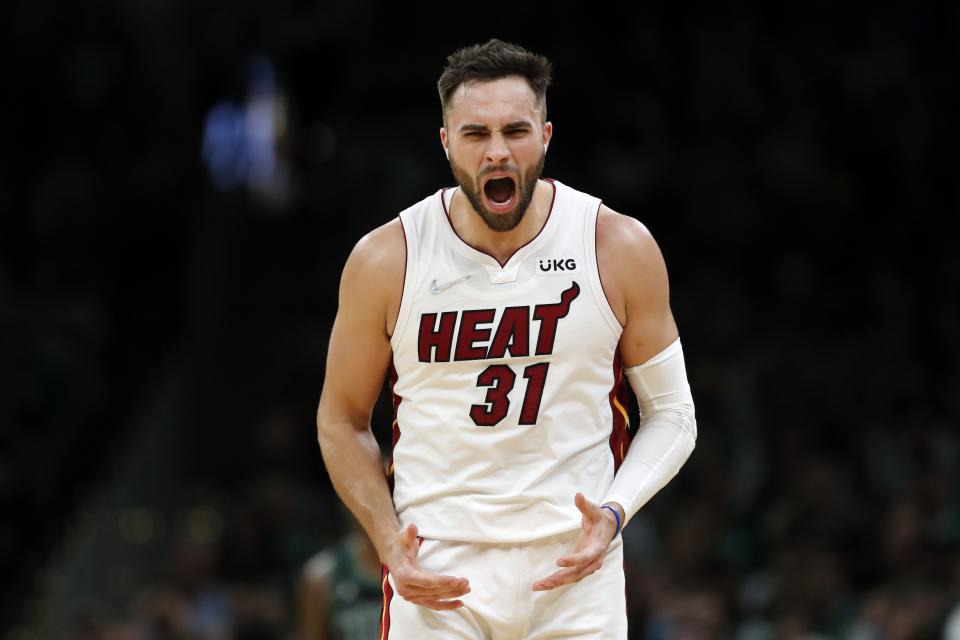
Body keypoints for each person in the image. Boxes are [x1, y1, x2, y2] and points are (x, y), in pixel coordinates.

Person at [316, 38, 697, 639]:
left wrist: (616, 512)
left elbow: (674, 413)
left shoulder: (616, 247)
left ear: (546, 135)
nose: (497, 152)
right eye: (475, 134)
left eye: (516, 131)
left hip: (576, 565)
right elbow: (341, 421)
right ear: (446, 144)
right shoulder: (387, 258)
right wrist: (389, 543)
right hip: (436, 570)